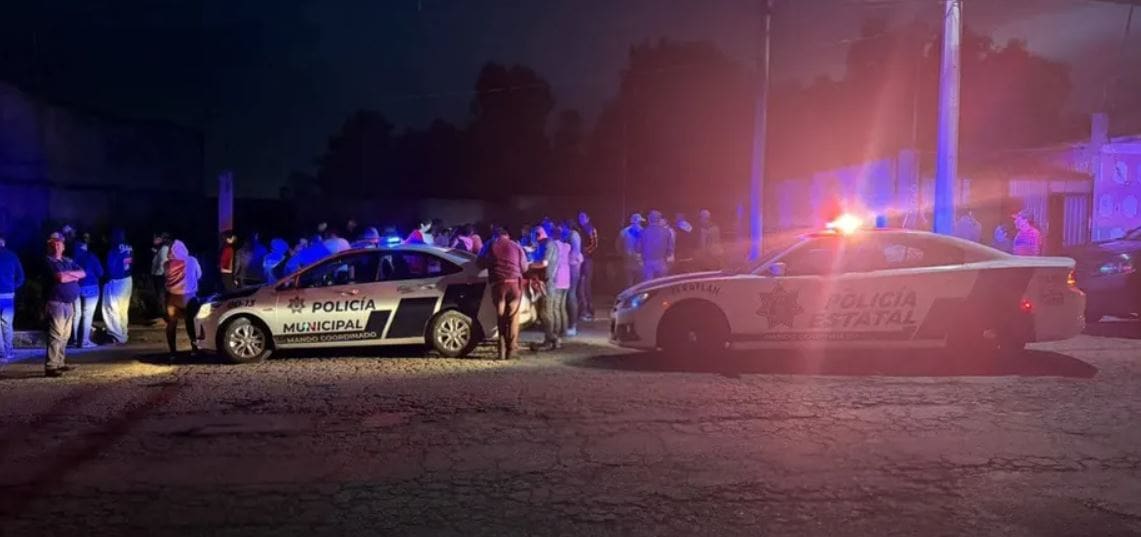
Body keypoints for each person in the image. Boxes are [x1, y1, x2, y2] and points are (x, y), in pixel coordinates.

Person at [477, 227, 530, 360]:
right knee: (513, 318)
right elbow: (524, 268)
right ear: (507, 236)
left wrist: (492, 264)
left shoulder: (490, 245)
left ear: (495, 236)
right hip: (515, 285)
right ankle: (511, 351)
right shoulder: (516, 246)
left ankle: (501, 351)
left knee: (500, 318)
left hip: (498, 285)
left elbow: (479, 263)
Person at [44, 233, 85, 377]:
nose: (57, 246)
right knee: (56, 334)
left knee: (65, 335)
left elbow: (83, 273)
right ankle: (51, 366)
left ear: (63, 246)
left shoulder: (68, 260)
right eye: (54, 243)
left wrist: (69, 275)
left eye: (59, 243)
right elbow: (60, 278)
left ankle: (60, 362)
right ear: (50, 246)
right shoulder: (48, 261)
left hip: (69, 303)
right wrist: (72, 275)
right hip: (56, 302)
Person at [164, 240, 202, 360]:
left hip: (172, 298)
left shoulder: (166, 264)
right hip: (189, 297)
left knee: (171, 324)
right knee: (190, 323)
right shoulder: (192, 260)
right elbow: (199, 275)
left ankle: (173, 352)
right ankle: (194, 349)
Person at [529, 226, 562, 351]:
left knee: (545, 312)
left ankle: (550, 340)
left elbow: (544, 263)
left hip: (547, 283)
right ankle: (554, 340)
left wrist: (529, 266)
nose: (532, 240)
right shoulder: (549, 244)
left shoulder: (547, 245)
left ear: (538, 235)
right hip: (550, 282)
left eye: (533, 237)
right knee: (550, 312)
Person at [71, 238, 104, 349]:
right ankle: (84, 341)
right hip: (91, 287)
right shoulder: (91, 256)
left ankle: (75, 339)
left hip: (75, 288)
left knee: (76, 314)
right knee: (87, 315)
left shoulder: (72, 258)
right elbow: (100, 272)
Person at [102, 229, 133, 344]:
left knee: (111, 308)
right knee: (123, 308)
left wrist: (106, 279)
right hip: (127, 279)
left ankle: (116, 335)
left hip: (116, 281)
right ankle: (123, 332)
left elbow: (110, 266)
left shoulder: (113, 249)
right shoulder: (129, 246)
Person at [0, 234, 25, 362]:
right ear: (4, 242)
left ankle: (1, 352)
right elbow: (21, 277)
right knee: (7, 324)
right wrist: (13, 287)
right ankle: (8, 351)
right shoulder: (12, 256)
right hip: (8, 295)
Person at [639, 210, 675, 281]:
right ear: (659, 219)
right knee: (661, 283)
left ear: (649, 219)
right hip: (662, 261)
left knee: (648, 284)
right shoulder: (666, 232)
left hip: (647, 262)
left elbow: (637, 248)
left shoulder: (643, 232)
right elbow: (670, 248)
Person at [561, 220, 583, 336]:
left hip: (573, 268)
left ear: (567, 226)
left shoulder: (573, 235)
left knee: (571, 294)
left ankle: (573, 325)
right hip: (570, 267)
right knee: (569, 295)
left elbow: (575, 252)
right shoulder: (570, 235)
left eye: (563, 227)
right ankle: (569, 324)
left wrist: (564, 261)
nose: (561, 229)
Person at [576, 212, 598, 321]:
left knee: (585, 286)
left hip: (587, 260)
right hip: (583, 260)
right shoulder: (581, 229)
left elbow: (594, 244)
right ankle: (585, 310)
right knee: (582, 286)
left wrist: (585, 252)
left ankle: (588, 310)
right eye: (579, 217)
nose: (580, 219)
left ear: (588, 218)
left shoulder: (590, 229)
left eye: (583, 217)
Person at [616, 213, 645, 287]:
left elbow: (618, 245)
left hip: (628, 260)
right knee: (639, 284)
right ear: (640, 221)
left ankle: (629, 294)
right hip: (639, 261)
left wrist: (622, 254)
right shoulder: (644, 232)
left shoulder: (623, 232)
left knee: (629, 283)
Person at [150, 232, 170, 321]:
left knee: (161, 294)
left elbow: (162, 263)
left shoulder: (164, 248)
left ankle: (163, 315)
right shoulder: (160, 248)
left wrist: (159, 273)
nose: (154, 240)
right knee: (160, 294)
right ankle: (162, 314)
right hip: (159, 274)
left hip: (160, 275)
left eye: (156, 238)